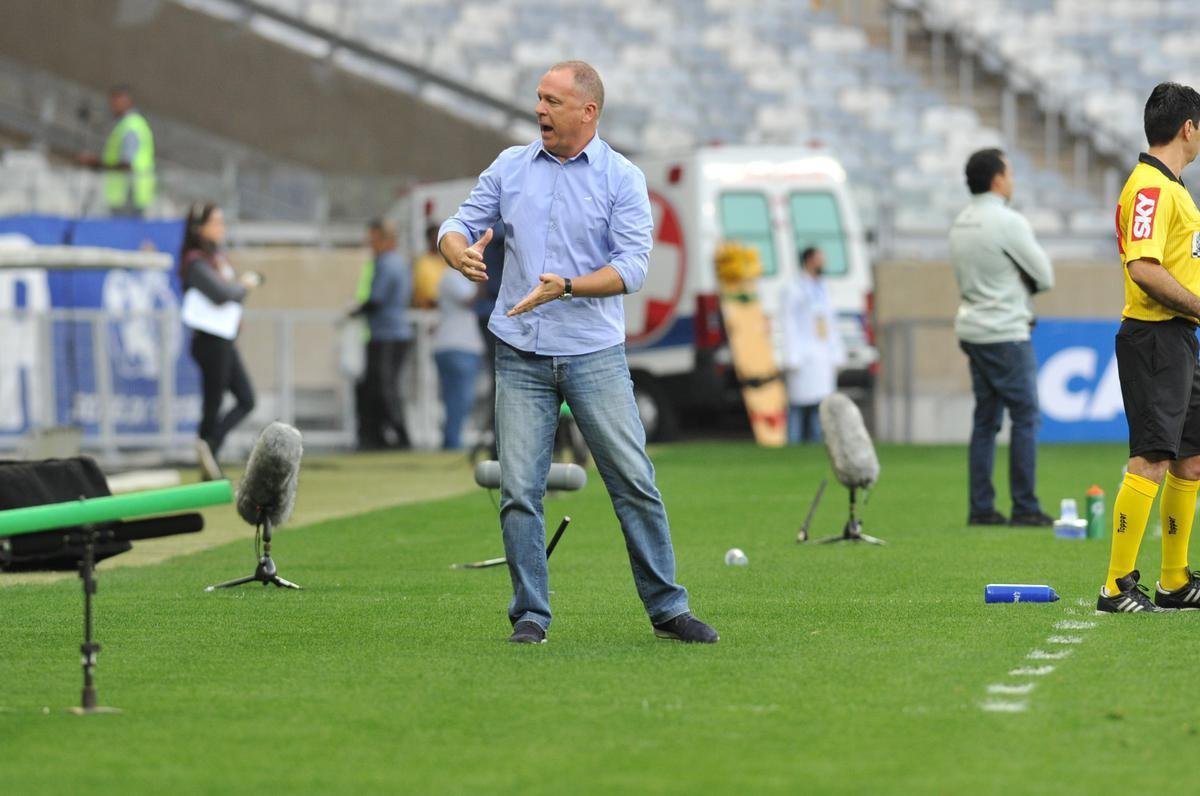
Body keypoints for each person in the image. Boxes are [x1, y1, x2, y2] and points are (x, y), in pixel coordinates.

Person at [438, 60, 718, 645]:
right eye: (538, 98)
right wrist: (456, 251)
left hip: (595, 355)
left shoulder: (622, 178)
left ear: (587, 112)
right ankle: (531, 615)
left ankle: (668, 607)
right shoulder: (510, 166)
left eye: (552, 101)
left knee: (633, 480)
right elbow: (457, 223)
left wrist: (565, 285)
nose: (539, 110)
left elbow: (632, 269)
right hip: (519, 354)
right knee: (518, 489)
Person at [1097, 82, 1200, 613]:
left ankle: (1175, 581)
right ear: (1188, 128)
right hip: (1155, 334)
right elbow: (1143, 268)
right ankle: (1115, 586)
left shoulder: (1170, 187)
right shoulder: (1152, 189)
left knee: (1189, 458)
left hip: (1179, 336)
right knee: (1153, 457)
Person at [948, 148, 1055, 528]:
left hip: (972, 329)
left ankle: (981, 508)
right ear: (997, 179)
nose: (1012, 180)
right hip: (1007, 331)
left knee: (985, 420)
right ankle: (1025, 507)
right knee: (1026, 417)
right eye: (1009, 173)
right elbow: (1044, 276)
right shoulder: (1008, 222)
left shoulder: (960, 222)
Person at [178, 203, 258, 479]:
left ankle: (210, 448)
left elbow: (229, 295)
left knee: (246, 399)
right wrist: (245, 285)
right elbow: (223, 293)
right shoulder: (195, 261)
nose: (221, 227)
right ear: (200, 228)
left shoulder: (217, 259)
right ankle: (207, 460)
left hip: (224, 339)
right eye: (216, 222)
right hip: (209, 341)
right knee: (212, 403)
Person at [350, 219, 413, 450]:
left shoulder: (387, 264)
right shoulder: (398, 262)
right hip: (390, 333)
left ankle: (400, 436)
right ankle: (380, 436)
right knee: (377, 387)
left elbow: (377, 299)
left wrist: (356, 310)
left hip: (387, 334)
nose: (371, 244)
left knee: (385, 387)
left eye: (374, 239)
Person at [781, 246, 845, 443]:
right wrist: (792, 355)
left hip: (822, 355)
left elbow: (831, 323)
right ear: (809, 260)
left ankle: (816, 446)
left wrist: (837, 352)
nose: (823, 262)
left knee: (821, 406)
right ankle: (793, 444)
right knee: (798, 407)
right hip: (803, 354)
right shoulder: (794, 289)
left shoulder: (824, 288)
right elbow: (788, 322)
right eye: (819, 258)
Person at [78, 84, 156, 218]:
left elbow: (126, 164)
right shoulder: (128, 124)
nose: (112, 106)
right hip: (128, 194)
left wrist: (96, 163)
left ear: (127, 102)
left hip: (129, 193)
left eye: (115, 102)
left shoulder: (131, 126)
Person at [432, 267, 484, 449]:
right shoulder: (452, 276)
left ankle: (451, 438)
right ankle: (452, 441)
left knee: (456, 398)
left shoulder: (452, 277)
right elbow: (469, 299)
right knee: (461, 398)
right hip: (458, 345)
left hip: (458, 344)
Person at [411, 224, 446, 310]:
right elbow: (420, 287)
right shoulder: (422, 262)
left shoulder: (447, 261)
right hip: (427, 310)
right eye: (435, 237)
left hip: (446, 309)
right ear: (429, 239)